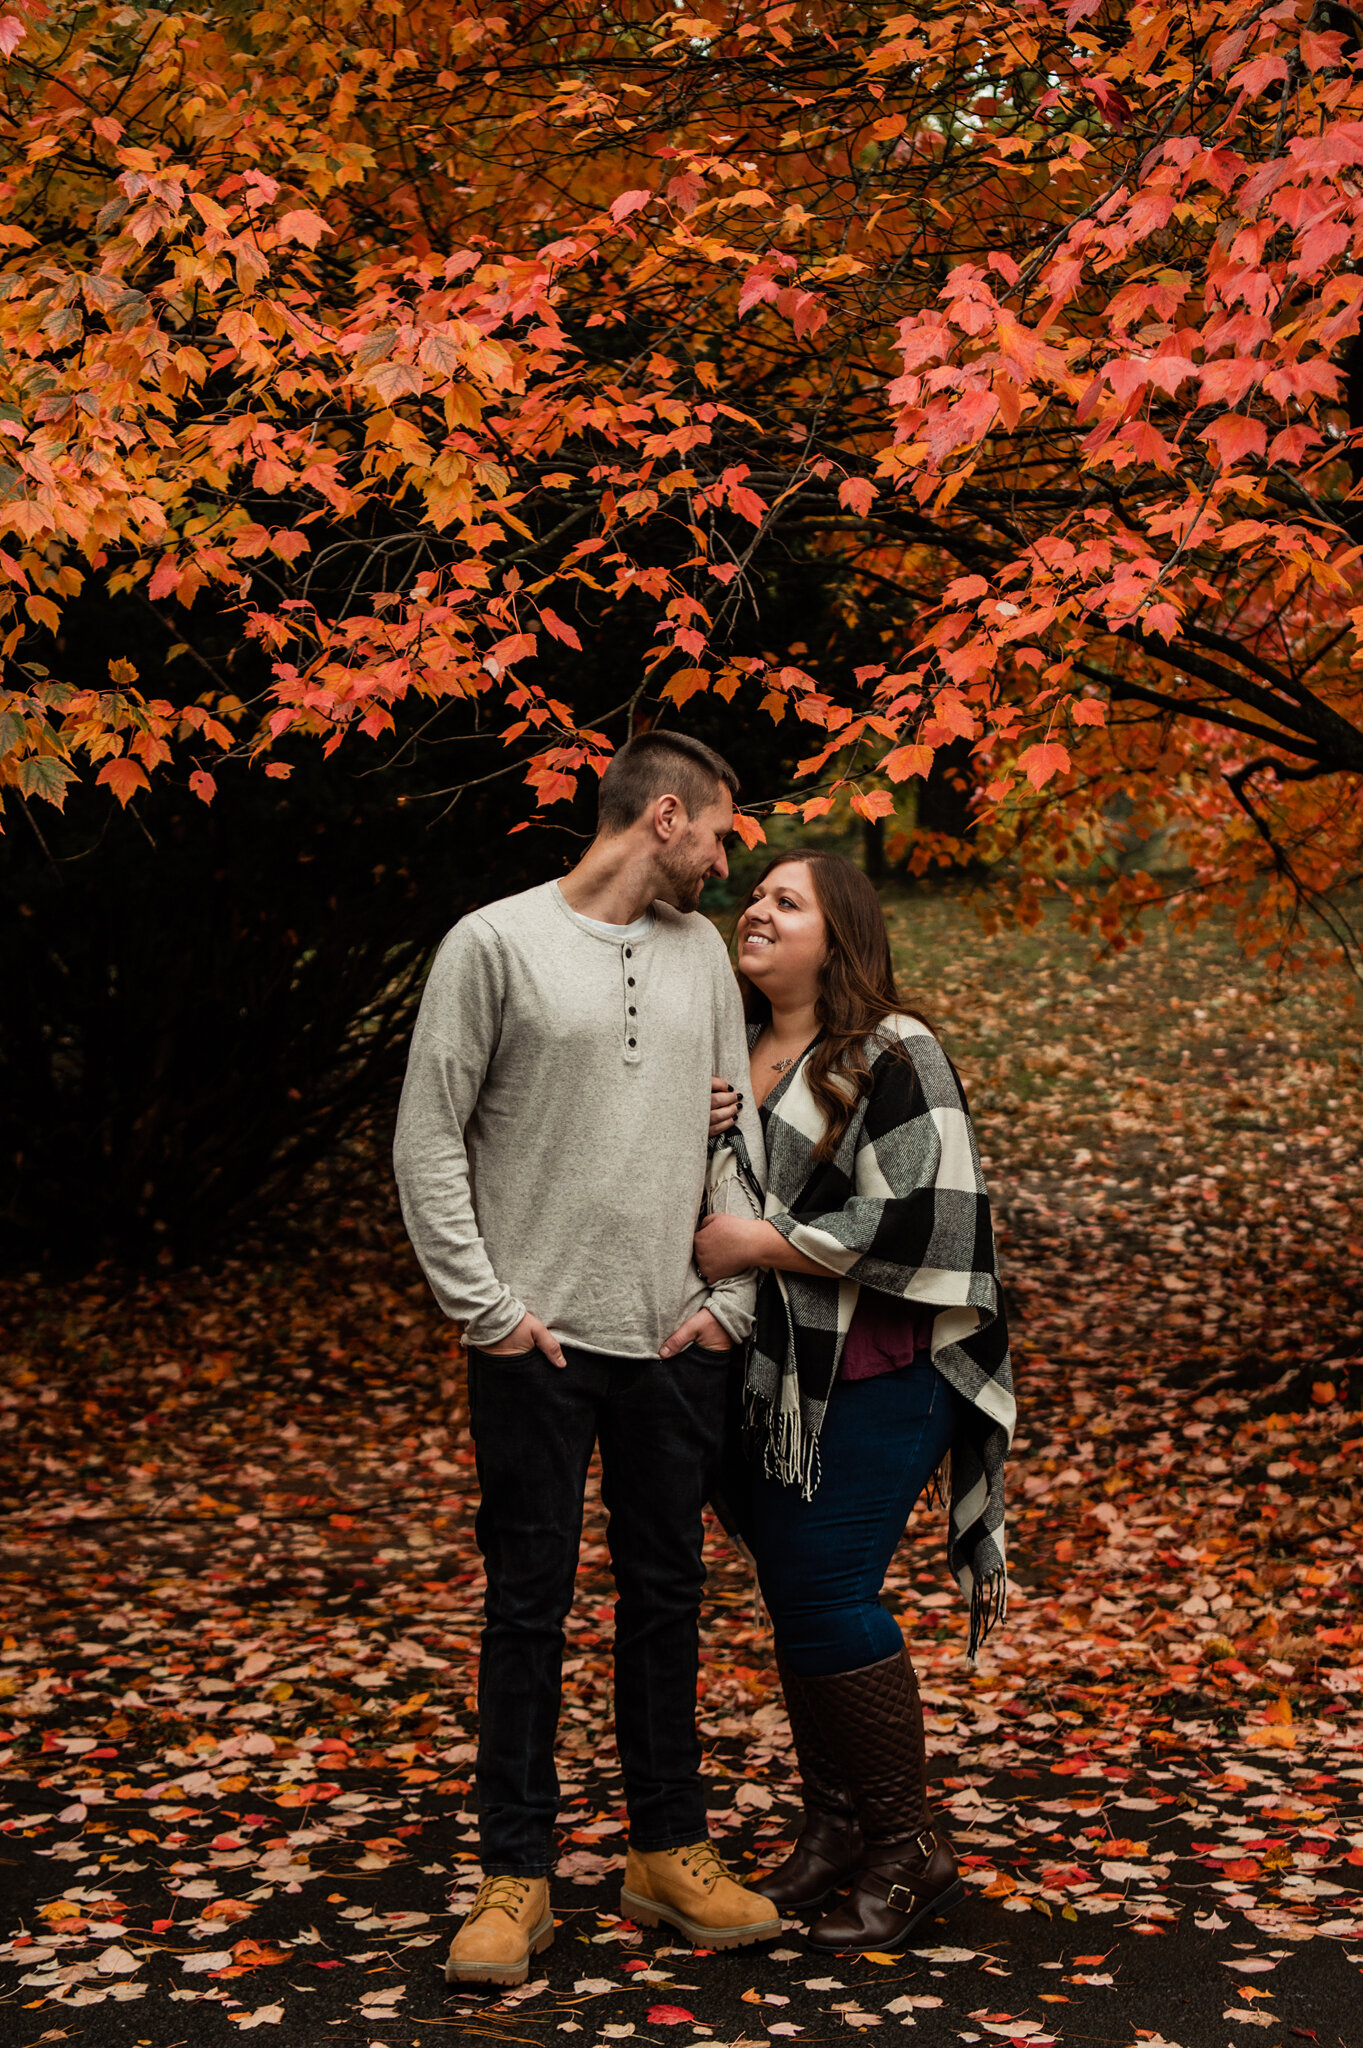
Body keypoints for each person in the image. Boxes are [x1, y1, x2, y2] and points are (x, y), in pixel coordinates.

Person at [393, 732, 780, 1988]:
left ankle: (668, 1848)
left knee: (668, 1600)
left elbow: (740, 1132)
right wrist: (488, 1307)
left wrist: (723, 1307)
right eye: (719, 834)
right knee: (526, 1604)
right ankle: (517, 1874)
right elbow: (427, 1140)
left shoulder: (703, 955)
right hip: (534, 1342)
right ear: (663, 817)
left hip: (672, 1340)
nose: (726, 866)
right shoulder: (493, 944)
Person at [695, 849, 1013, 1954]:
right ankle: (833, 1825)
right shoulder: (726, 1051)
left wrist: (759, 1240)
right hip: (769, 1374)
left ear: (842, 935)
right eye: (756, 893)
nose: (758, 908)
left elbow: (936, 1215)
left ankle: (904, 1844)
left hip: (880, 1367)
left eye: (788, 900)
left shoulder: (893, 1048)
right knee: (797, 1594)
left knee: (826, 1590)